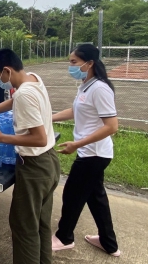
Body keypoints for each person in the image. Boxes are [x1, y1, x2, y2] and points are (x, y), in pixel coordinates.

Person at [0, 48, 60, 264]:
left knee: (24, 226)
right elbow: (14, 102)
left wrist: (1, 138)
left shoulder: (24, 93)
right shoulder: (33, 80)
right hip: (49, 161)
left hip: (35, 167)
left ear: (6, 71)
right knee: (40, 223)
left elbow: (38, 138)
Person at [51, 44, 121, 257]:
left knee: (72, 195)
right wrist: (49, 117)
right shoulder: (86, 85)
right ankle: (109, 243)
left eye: (74, 62)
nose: (70, 66)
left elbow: (112, 127)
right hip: (91, 153)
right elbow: (76, 110)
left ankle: (64, 238)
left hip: (94, 154)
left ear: (89, 63)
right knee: (95, 197)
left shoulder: (100, 88)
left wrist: (76, 144)